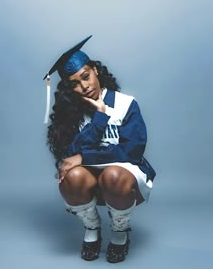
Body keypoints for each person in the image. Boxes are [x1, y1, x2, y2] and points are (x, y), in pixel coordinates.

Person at [44, 35, 156, 263]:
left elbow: (132, 152)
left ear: (95, 70)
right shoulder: (71, 113)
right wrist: (99, 119)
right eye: (75, 83)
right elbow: (68, 155)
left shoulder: (126, 104)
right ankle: (92, 230)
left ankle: (119, 231)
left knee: (113, 174)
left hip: (122, 179)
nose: (84, 87)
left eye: (86, 77)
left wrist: (84, 156)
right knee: (72, 175)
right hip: (88, 179)